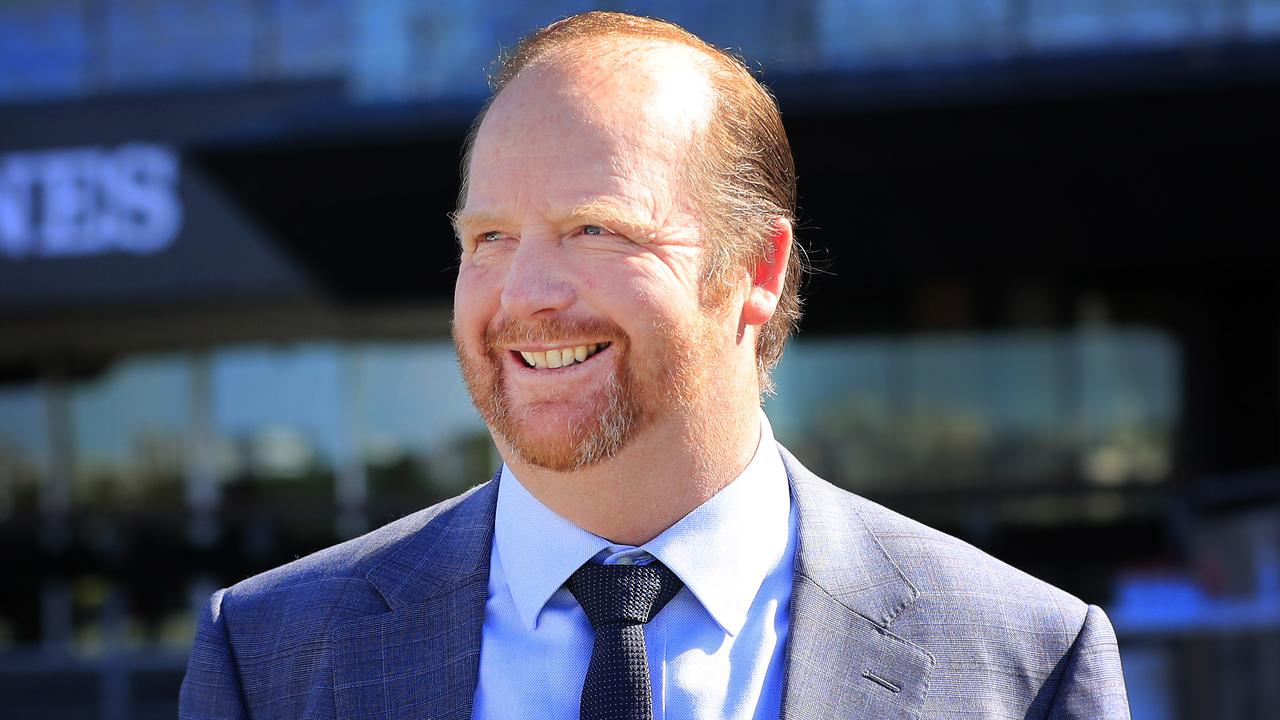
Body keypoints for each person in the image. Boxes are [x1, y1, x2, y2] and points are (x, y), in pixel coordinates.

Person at [180, 11, 1130, 720]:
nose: (524, 295)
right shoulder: (268, 657)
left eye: (596, 229)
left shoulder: (1024, 661)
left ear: (755, 270)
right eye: (491, 237)